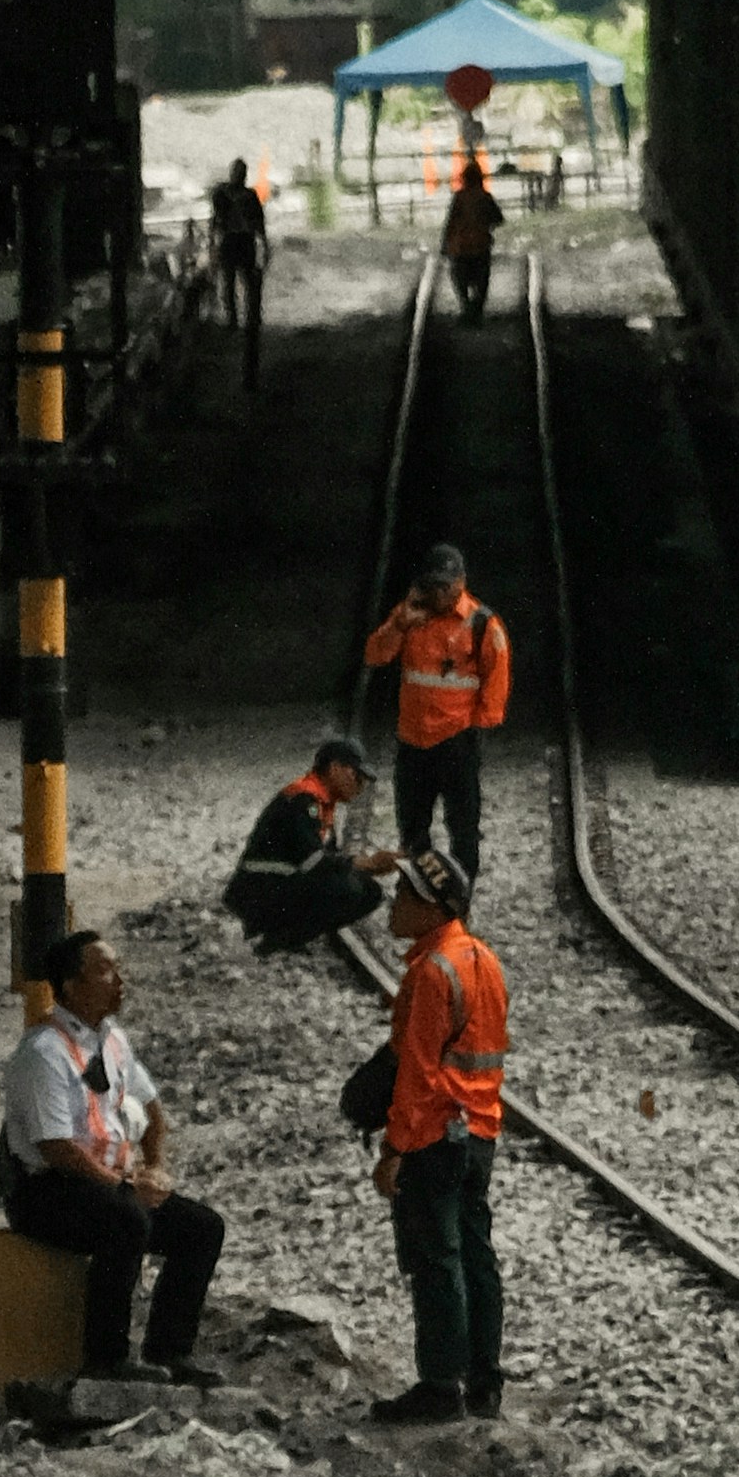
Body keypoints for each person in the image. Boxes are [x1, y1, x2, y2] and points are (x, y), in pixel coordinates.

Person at [0, 926, 224, 1374]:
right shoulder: (43, 1051)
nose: (120, 980)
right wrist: (123, 1188)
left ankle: (170, 1350)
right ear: (70, 986)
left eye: (118, 969)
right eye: (105, 971)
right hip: (47, 1191)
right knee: (126, 1220)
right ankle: (106, 1359)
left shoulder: (113, 1040)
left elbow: (154, 1112)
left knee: (201, 1228)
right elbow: (57, 1147)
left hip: (107, 1182)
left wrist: (155, 1171)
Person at [374, 846, 508, 1429]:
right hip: (480, 1132)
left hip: (435, 1136)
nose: (395, 902)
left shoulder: (432, 972)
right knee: (476, 1256)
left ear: (434, 910)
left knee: (436, 1261)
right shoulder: (483, 960)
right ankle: (483, 1382)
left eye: (407, 895)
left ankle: (437, 1387)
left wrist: (394, 1150)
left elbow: (419, 1074)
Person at [362, 537, 511, 893]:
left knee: (463, 826)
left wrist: (479, 724)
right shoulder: (410, 617)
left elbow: (497, 675)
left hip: (455, 740)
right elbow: (375, 656)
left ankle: (459, 894)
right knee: (413, 826)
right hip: (414, 741)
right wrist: (398, 624)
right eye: (433, 586)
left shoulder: (481, 623)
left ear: (460, 583)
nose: (439, 595)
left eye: (445, 587)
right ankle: (422, 889)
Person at [225, 737, 399, 954]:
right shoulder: (303, 800)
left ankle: (285, 937)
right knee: (349, 889)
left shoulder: (321, 800)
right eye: (356, 775)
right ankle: (275, 941)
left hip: (274, 884)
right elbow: (313, 861)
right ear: (335, 768)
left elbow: (327, 857)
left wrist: (367, 867)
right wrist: (366, 863)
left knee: (369, 891)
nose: (360, 786)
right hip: (257, 890)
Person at [209, 156, 270, 379]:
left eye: (241, 172)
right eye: (237, 171)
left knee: (245, 280)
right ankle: (234, 317)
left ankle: (247, 316)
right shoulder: (224, 194)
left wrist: (264, 242)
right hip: (233, 241)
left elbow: (259, 222)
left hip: (243, 241)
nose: (239, 175)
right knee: (229, 282)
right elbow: (216, 219)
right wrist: (212, 244)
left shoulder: (246, 196)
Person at [442, 144, 499, 319]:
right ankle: (477, 310)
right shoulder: (485, 197)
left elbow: (450, 223)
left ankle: (466, 306)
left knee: (459, 278)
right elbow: (498, 218)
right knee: (482, 281)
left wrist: (445, 244)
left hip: (460, 247)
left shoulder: (458, 198)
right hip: (481, 246)